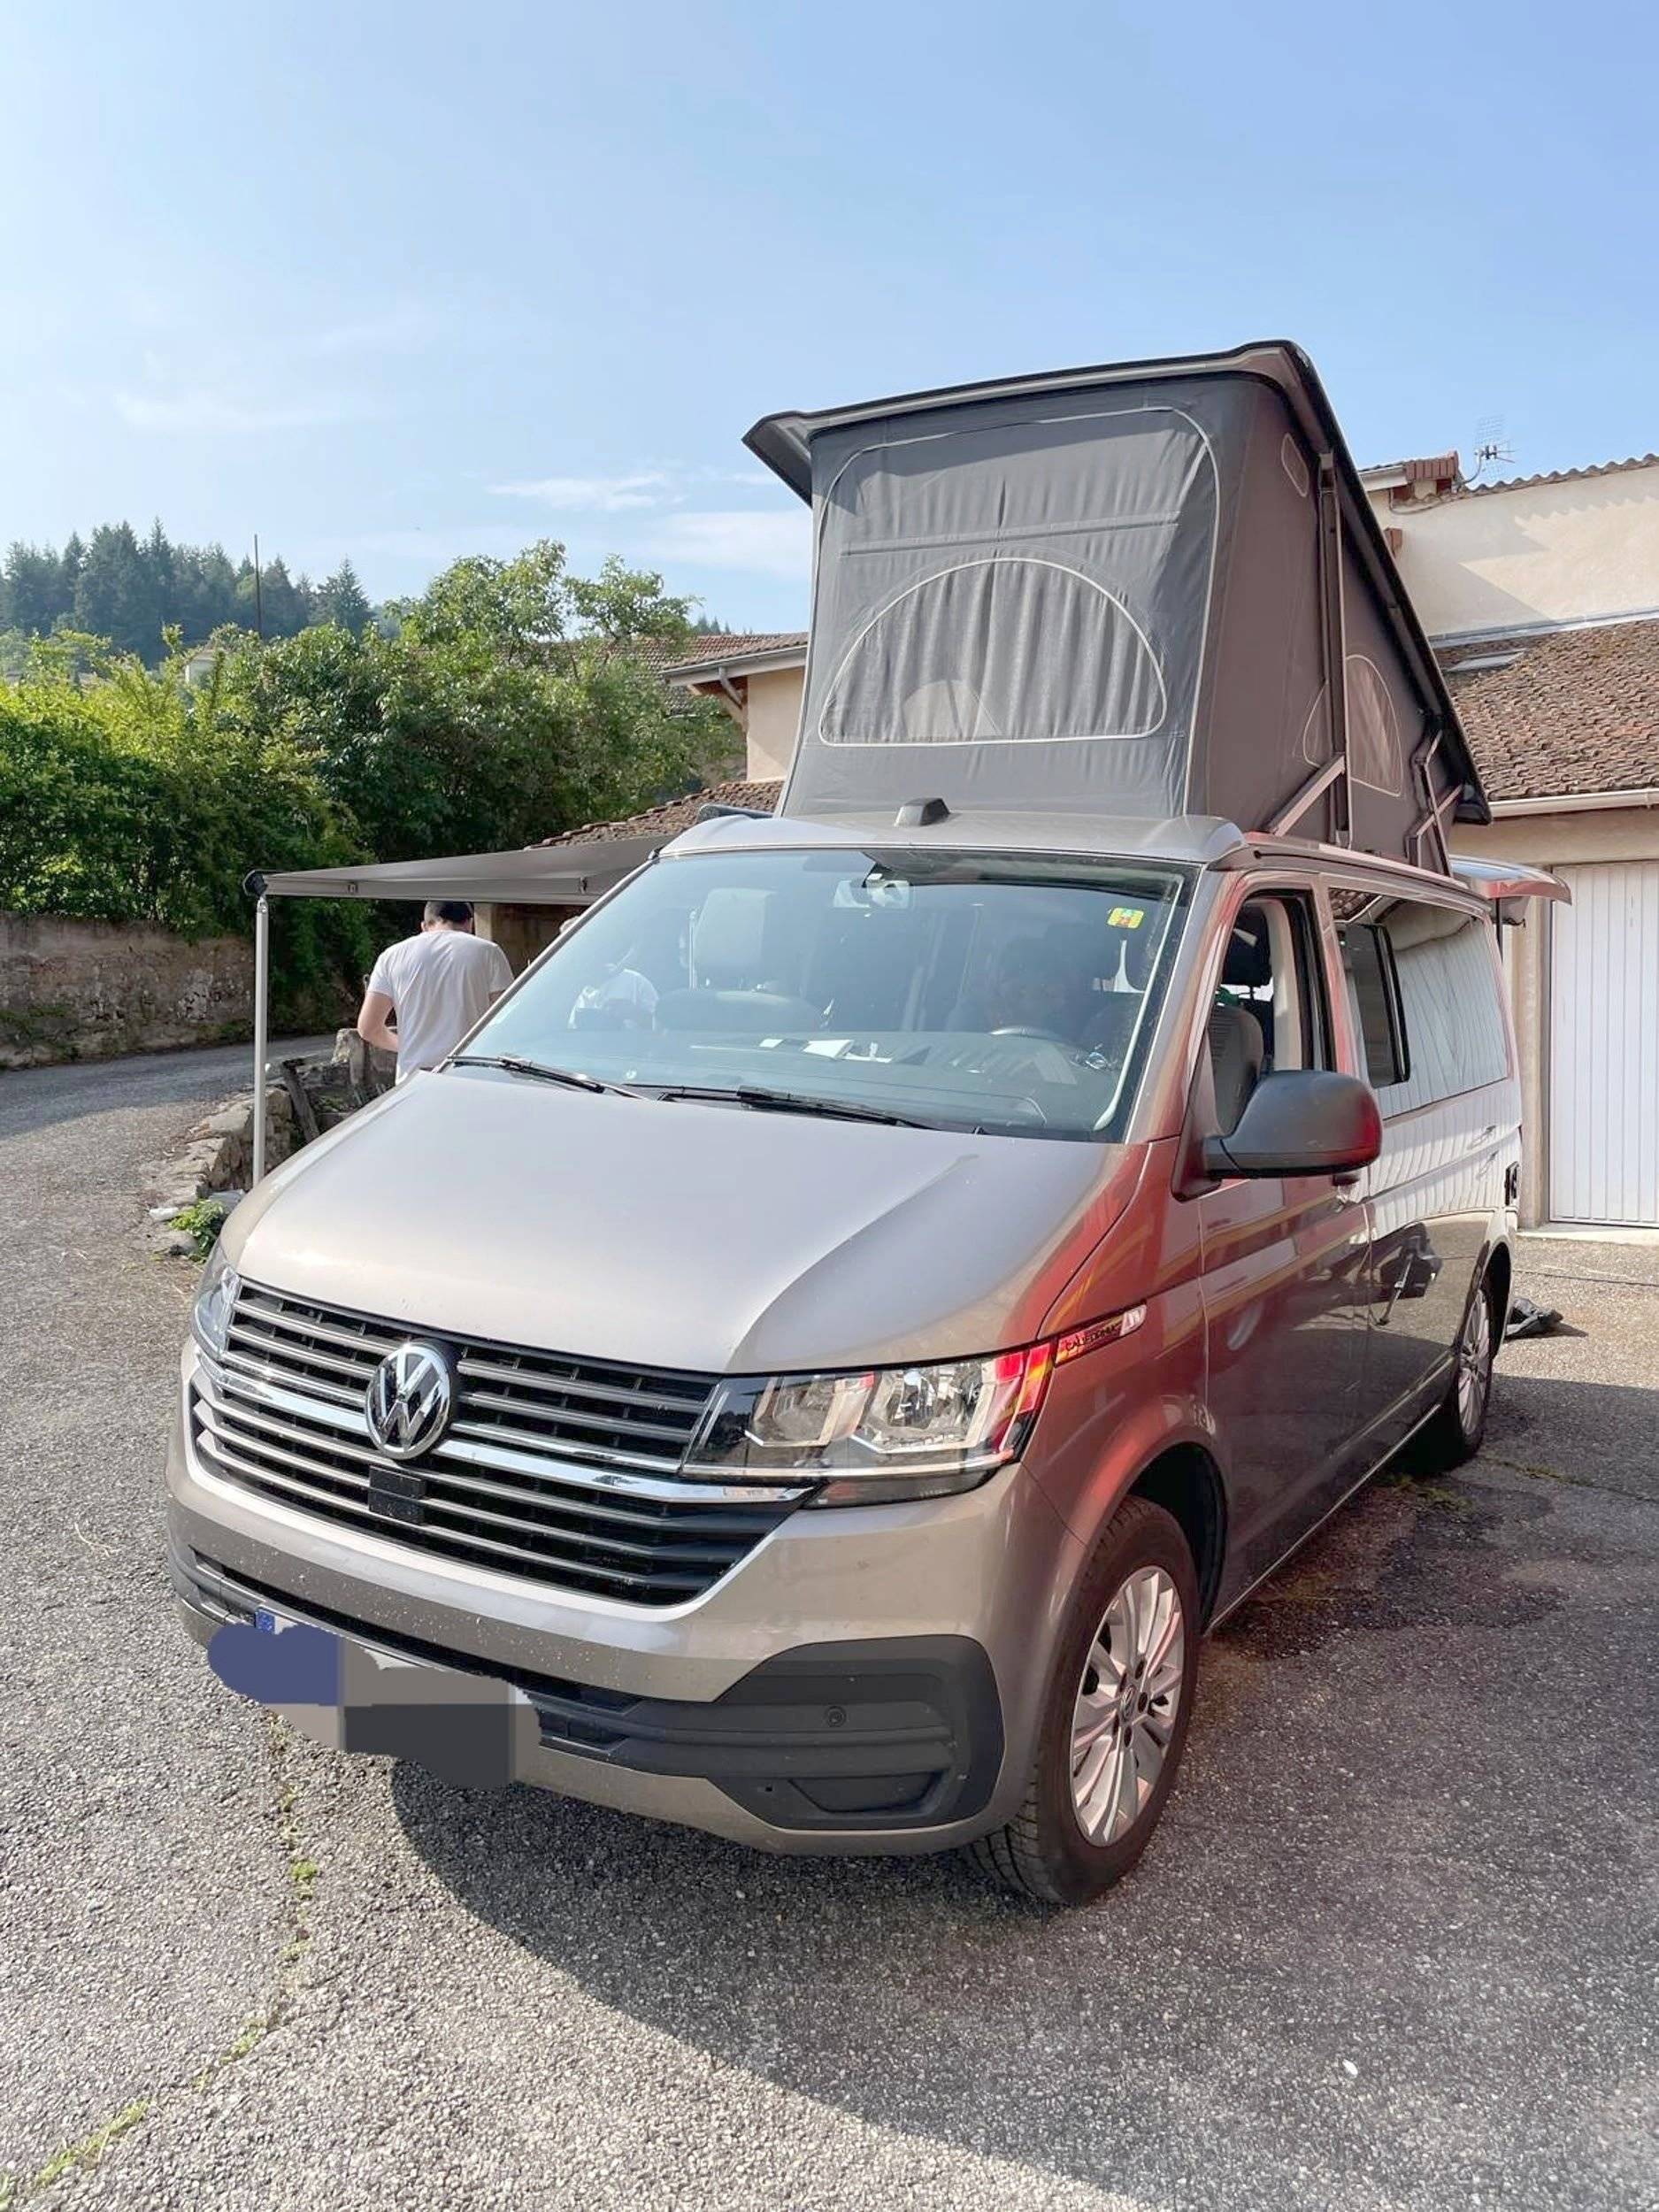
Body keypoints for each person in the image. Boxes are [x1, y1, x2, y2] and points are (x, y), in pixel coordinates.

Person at [357, 902, 513, 1079]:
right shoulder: (488, 951)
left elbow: (368, 1028)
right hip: (471, 1073)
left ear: (424, 926)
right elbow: (507, 1019)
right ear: (470, 923)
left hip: (414, 1077)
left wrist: (409, 1046)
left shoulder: (392, 956)